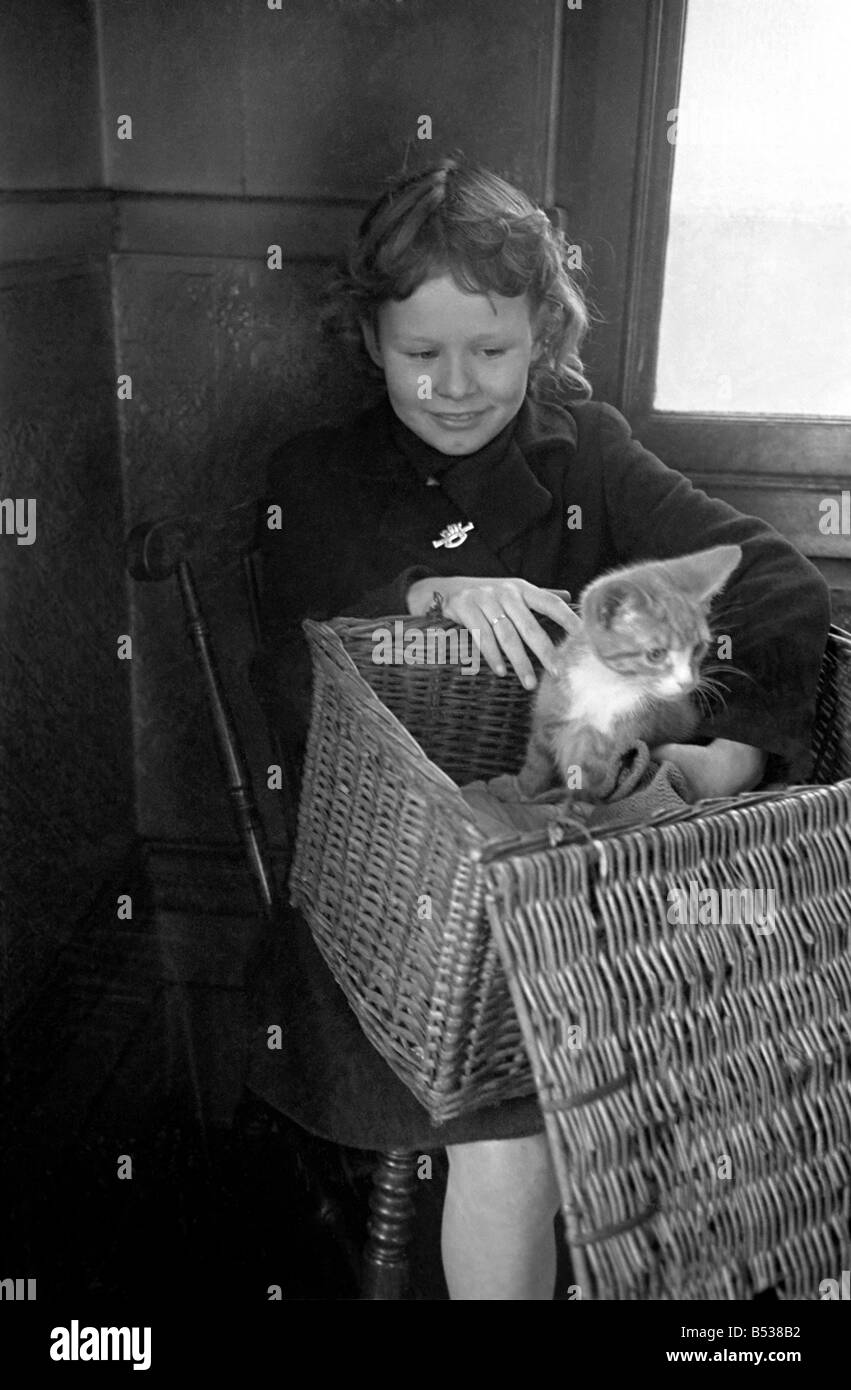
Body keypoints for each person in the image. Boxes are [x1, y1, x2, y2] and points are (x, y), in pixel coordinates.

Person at [247, 158, 831, 1299]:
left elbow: (772, 585)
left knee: (735, 1069)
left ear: (539, 335)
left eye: (492, 351)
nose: (456, 385)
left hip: (593, 899)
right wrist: (430, 594)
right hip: (396, 920)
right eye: (420, 354)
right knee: (513, 1135)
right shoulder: (313, 476)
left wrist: (721, 749)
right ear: (370, 343)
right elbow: (303, 642)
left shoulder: (586, 452)